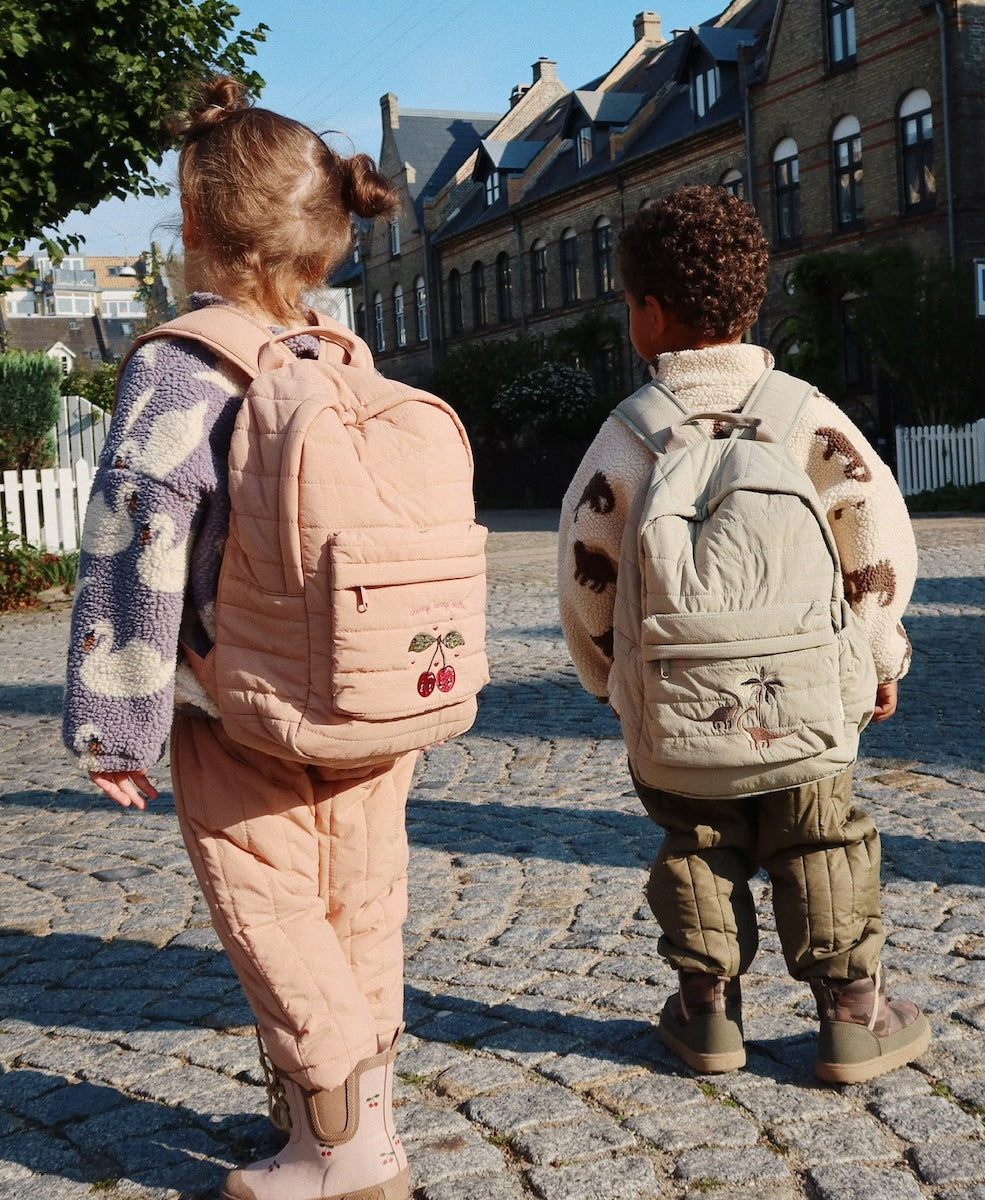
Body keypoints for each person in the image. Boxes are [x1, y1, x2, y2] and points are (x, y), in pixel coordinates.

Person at [63, 77, 413, 1200]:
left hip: (242, 703)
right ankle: (353, 1119)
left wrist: (119, 721)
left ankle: (345, 1154)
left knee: (273, 912)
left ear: (197, 229)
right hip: (370, 694)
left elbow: (137, 541)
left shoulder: (181, 363)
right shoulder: (342, 357)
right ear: (323, 236)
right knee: (364, 906)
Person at [557, 184, 930, 1085]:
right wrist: (880, 656)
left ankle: (706, 1018)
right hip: (804, 709)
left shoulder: (627, 442)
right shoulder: (811, 420)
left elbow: (584, 575)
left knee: (696, 845)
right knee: (822, 840)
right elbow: (876, 544)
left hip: (676, 716)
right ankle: (851, 1017)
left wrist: (612, 683)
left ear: (648, 314)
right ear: (752, 303)